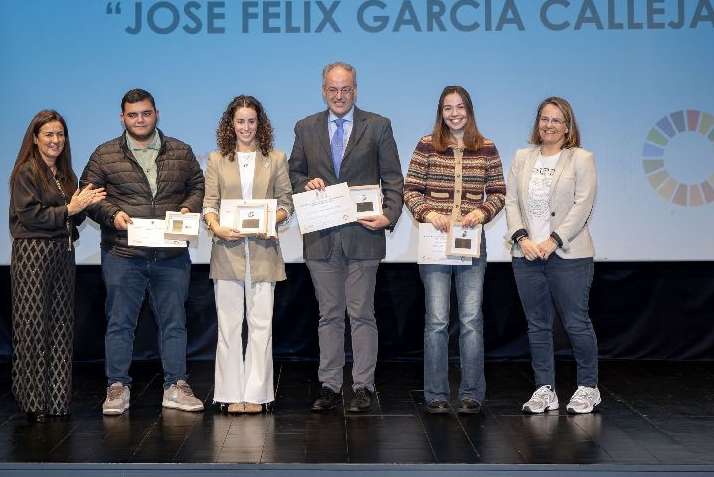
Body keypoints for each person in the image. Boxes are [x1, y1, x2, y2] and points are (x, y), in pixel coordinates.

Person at [81, 88, 206, 416]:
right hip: (123, 255)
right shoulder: (104, 154)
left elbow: (197, 186)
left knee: (174, 322)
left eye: (146, 113)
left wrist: (187, 207)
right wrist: (111, 215)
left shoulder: (180, 150)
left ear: (157, 114)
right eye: (133, 114)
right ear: (122, 117)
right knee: (120, 322)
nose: (140, 120)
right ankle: (117, 386)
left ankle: (175, 386)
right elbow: (89, 195)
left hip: (171, 255)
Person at [288, 62, 404, 413]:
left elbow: (393, 180)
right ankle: (330, 385)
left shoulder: (379, 126)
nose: (340, 96)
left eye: (346, 89)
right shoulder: (305, 127)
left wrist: (389, 216)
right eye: (333, 89)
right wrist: (304, 185)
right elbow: (293, 174)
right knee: (329, 316)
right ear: (323, 90)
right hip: (321, 239)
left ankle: (363, 386)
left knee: (362, 314)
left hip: (364, 237)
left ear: (356, 89)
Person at [403, 86, 506, 414]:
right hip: (435, 243)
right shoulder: (427, 145)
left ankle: (472, 393)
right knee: (436, 320)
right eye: (448, 108)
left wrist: (483, 212)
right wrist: (429, 213)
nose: (454, 113)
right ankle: (435, 394)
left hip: (472, 242)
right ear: (441, 112)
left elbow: (500, 193)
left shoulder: (487, 147)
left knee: (471, 319)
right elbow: (410, 189)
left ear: (469, 110)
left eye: (460, 107)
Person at [9, 110, 106, 422]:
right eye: (49, 134)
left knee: (62, 327)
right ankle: (34, 402)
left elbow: (71, 216)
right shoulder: (25, 172)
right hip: (32, 255)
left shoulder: (66, 175)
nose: (55, 140)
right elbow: (30, 216)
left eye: (60, 134)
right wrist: (70, 208)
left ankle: (58, 400)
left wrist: (83, 206)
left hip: (62, 254)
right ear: (35, 138)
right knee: (33, 328)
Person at [505, 96, 600, 414]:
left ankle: (588, 387)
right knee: (537, 324)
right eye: (544, 118)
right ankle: (545, 389)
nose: (549, 125)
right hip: (526, 254)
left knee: (576, 322)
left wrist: (553, 240)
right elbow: (511, 202)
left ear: (568, 126)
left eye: (556, 120)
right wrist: (522, 238)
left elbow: (582, 205)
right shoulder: (522, 156)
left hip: (568, 255)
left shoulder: (581, 158)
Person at [202, 95, 293, 414]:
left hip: (264, 252)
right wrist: (216, 227)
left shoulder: (276, 158)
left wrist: (272, 220)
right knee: (227, 327)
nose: (245, 127)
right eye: (239, 121)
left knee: (261, 325)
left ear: (260, 124)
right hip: (226, 252)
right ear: (230, 124)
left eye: (251, 121)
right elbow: (209, 205)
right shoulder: (215, 160)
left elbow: (286, 203)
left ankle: (256, 394)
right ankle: (228, 394)